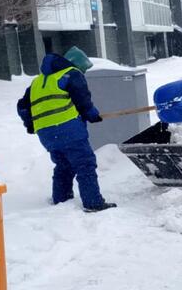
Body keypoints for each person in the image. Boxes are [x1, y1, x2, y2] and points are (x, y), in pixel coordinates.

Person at [16, 47, 117, 213]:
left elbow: (22, 107)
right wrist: (92, 114)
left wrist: (31, 124)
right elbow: (82, 99)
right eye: (83, 69)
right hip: (68, 129)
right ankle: (93, 203)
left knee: (63, 165)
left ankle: (61, 199)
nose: (83, 72)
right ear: (77, 64)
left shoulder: (37, 82)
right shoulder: (72, 73)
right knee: (85, 163)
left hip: (47, 135)